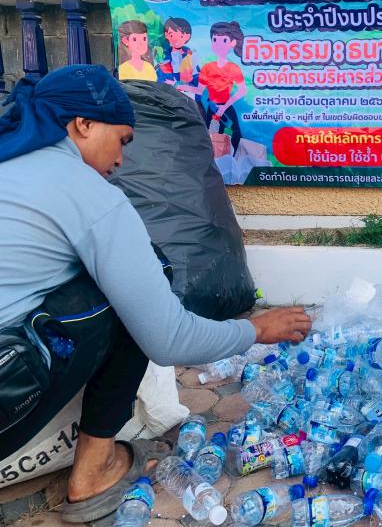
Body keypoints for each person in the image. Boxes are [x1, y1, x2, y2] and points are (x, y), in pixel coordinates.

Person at [0, 65, 310, 523]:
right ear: (83, 124)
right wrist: (257, 329)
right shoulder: (88, 193)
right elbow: (168, 339)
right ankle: (94, 472)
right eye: (123, 140)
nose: (121, 160)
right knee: (132, 288)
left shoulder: (12, 166)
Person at [179, 21, 246, 154]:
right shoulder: (207, 68)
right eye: (215, 40)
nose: (219, 44)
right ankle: (213, 162)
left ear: (232, 43)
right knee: (211, 138)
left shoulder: (233, 68)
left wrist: (224, 107)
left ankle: (233, 161)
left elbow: (242, 90)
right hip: (212, 108)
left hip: (226, 108)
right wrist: (182, 87)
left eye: (224, 40)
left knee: (236, 135)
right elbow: (200, 90)